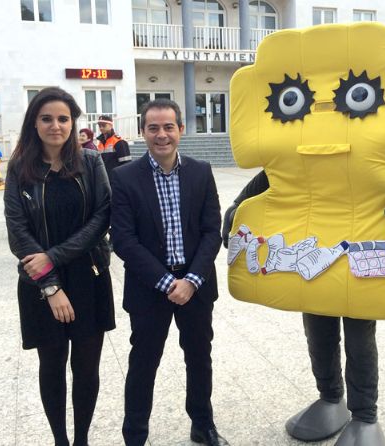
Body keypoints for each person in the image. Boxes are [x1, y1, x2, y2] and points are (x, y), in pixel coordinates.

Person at [110, 99, 227, 446]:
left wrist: (191, 280)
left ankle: (202, 425)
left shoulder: (200, 171)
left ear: (181, 129)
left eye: (169, 127)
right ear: (143, 131)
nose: (162, 135)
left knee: (199, 357)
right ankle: (135, 434)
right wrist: (166, 283)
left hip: (196, 286)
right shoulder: (124, 177)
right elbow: (123, 240)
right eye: (154, 128)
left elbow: (211, 230)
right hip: (150, 289)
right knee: (144, 362)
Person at [3, 87, 115, 446]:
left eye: (63, 118)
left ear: (73, 123)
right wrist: (50, 284)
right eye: (47, 118)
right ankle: (61, 441)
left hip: (88, 276)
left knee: (86, 368)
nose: (56, 125)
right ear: (34, 123)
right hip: (39, 284)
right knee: (51, 367)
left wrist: (54, 256)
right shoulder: (19, 168)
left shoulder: (91, 162)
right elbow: (18, 234)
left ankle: (81, 439)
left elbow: (101, 218)